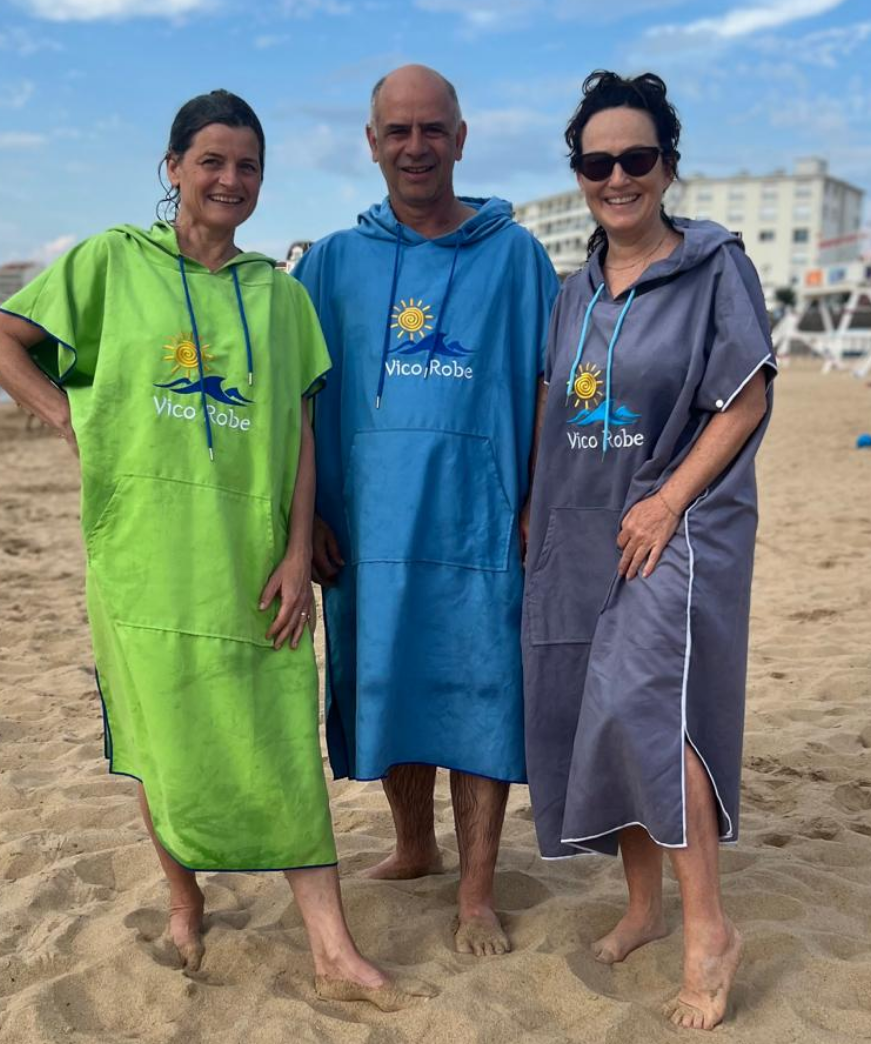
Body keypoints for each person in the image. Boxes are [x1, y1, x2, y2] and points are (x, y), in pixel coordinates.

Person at [0, 89, 430, 1011]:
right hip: (142, 554)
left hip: (252, 556)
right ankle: (184, 902)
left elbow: (299, 434)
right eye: (211, 161)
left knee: (278, 739)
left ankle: (331, 946)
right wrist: (71, 420)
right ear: (173, 167)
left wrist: (297, 553)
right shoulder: (111, 261)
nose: (229, 179)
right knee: (162, 730)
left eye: (247, 165)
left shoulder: (280, 295)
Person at [522, 71, 776, 1031]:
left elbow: (745, 396)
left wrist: (667, 500)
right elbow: (549, 403)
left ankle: (708, 929)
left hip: (680, 520)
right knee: (599, 706)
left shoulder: (713, 267)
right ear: (578, 175)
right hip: (579, 521)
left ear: (667, 165)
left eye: (636, 158)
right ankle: (642, 906)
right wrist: (533, 509)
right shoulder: (572, 291)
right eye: (597, 163)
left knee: (644, 701)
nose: (616, 177)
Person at [294, 65, 559, 956]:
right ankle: (415, 847)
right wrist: (305, 518)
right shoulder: (330, 263)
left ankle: (476, 892)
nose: (416, 147)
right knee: (392, 689)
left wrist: (535, 497)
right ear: (371, 143)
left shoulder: (514, 257)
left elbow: (549, 385)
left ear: (460, 138)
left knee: (480, 697)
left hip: (478, 525)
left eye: (432, 129)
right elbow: (294, 402)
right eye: (398, 131)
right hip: (366, 531)